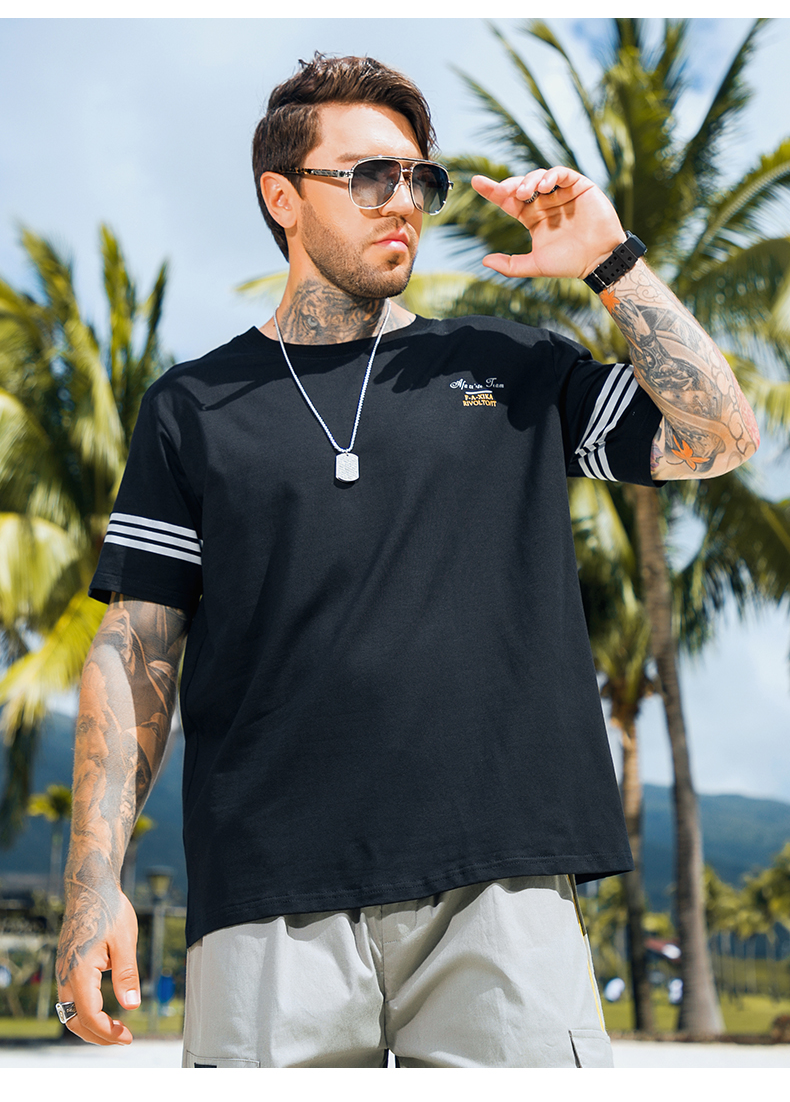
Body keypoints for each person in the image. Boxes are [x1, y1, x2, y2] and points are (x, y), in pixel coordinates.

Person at [55, 54, 759, 1068]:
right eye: (370, 176)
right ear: (282, 198)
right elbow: (137, 650)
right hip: (267, 901)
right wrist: (92, 884)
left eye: (418, 178)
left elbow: (720, 436)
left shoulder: (509, 369)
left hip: (502, 891)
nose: (403, 200)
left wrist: (613, 263)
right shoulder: (191, 407)